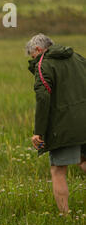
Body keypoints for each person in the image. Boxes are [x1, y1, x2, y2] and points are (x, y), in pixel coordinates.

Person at [26, 33, 86, 214]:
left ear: (38, 50)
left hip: (64, 126)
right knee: (83, 161)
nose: (33, 60)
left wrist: (39, 132)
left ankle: (65, 217)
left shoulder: (44, 64)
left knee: (58, 170)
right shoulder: (77, 57)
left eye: (32, 56)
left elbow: (43, 98)